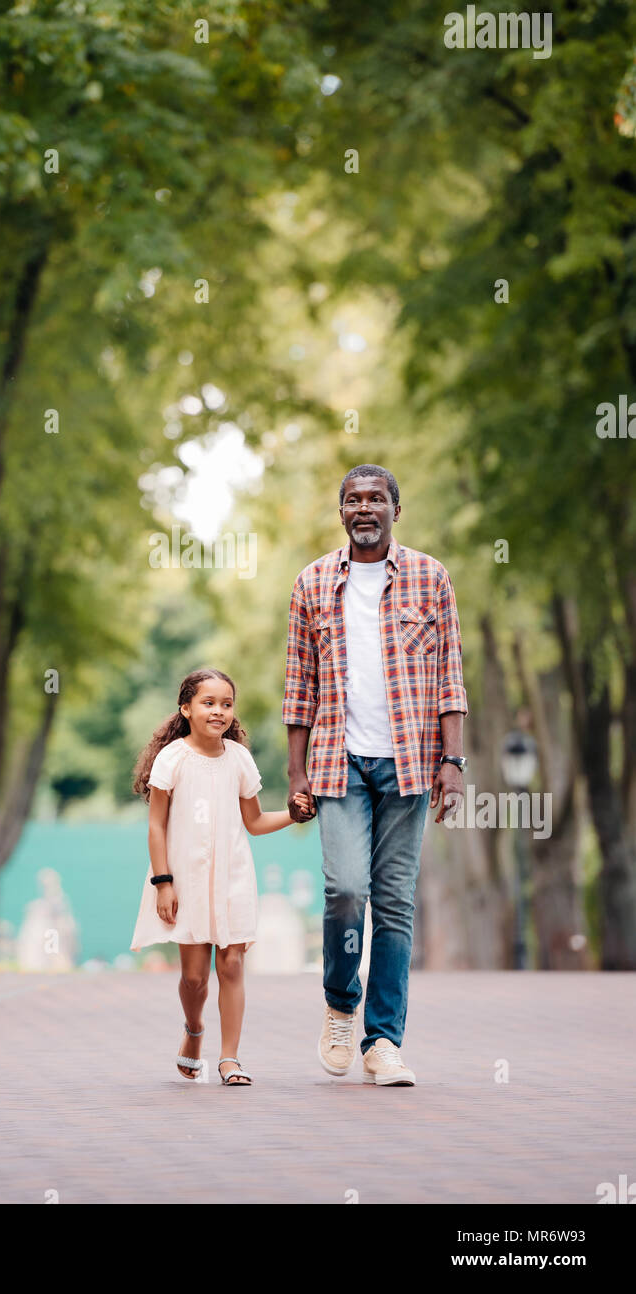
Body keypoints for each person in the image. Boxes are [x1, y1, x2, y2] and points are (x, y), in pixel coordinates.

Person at [282, 465, 468, 1086]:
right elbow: (297, 689)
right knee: (345, 890)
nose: (365, 508)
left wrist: (453, 760)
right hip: (337, 763)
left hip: (410, 765)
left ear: (395, 508)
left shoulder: (430, 576)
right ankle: (340, 1004)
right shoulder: (311, 583)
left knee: (394, 904)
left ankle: (383, 1041)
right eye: (353, 500)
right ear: (340, 512)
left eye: (377, 499)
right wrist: (294, 773)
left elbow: (450, 677)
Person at [131, 667, 309, 1085]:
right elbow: (156, 826)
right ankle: (194, 1031)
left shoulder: (240, 759)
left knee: (231, 965)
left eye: (226, 704)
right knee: (194, 979)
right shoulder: (172, 758)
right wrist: (164, 883)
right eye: (208, 703)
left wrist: (294, 816)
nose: (219, 711)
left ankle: (230, 1059)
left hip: (234, 878)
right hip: (184, 882)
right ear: (186, 708)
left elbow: (255, 820)